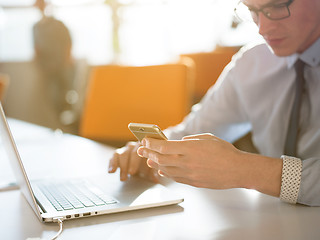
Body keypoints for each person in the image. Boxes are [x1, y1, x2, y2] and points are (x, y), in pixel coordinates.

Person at [108, 0, 320, 206]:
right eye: (252, 10)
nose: (262, 28)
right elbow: (195, 131)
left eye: (277, 6)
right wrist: (150, 150)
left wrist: (246, 170)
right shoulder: (252, 62)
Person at [32, 0, 89, 134]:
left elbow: (68, 42)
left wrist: (66, 62)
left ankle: (74, 130)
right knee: (53, 101)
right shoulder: (36, 27)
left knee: (67, 101)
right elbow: (36, 49)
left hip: (63, 69)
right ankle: (60, 129)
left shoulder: (58, 25)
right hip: (47, 70)